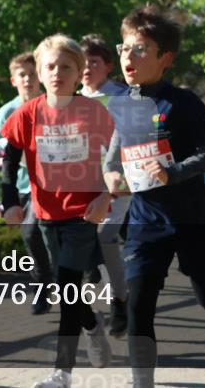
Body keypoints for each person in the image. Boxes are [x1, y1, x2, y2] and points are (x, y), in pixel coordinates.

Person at [103, 5, 205, 388]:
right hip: (145, 221)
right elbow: (115, 147)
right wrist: (110, 172)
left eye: (140, 49)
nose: (128, 57)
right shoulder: (121, 101)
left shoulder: (183, 102)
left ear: (164, 58)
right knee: (138, 305)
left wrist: (174, 172)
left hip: (193, 217)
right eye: (123, 48)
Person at [0, 35, 115, 388]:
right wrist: (10, 201)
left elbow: (116, 157)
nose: (57, 73)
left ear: (79, 72)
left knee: (67, 287)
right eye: (50, 66)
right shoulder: (28, 113)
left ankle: (62, 373)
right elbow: (9, 157)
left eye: (66, 67)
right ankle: (93, 325)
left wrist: (106, 196)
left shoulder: (93, 112)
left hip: (83, 214)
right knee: (66, 288)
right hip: (46, 212)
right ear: (39, 71)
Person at [0, 53, 53, 315]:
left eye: (32, 74)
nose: (28, 79)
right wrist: (12, 140)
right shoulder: (8, 110)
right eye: (22, 75)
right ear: (14, 80)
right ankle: (44, 283)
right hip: (20, 186)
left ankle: (47, 284)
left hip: (48, 184)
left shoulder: (50, 105)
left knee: (32, 232)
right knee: (30, 237)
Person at [78, 34, 129, 338]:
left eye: (94, 63)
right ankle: (111, 288)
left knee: (106, 236)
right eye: (82, 63)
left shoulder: (121, 96)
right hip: (81, 182)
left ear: (108, 66)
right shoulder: (72, 97)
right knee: (89, 241)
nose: (87, 68)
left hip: (117, 181)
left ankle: (120, 303)